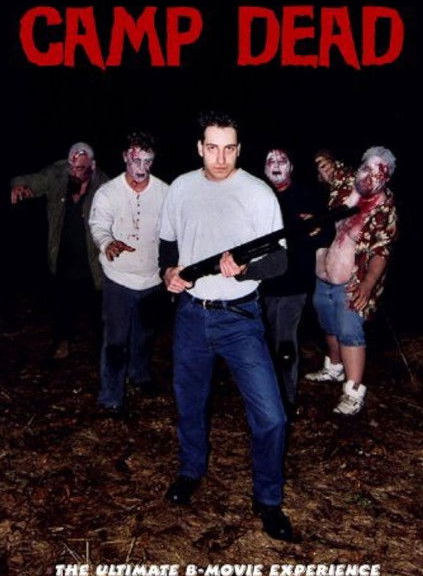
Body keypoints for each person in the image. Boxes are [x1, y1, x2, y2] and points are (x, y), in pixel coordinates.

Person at [159, 111, 293, 541]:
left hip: (241, 319)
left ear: (239, 148)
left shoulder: (258, 193)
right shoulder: (180, 187)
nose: (220, 158)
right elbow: (168, 244)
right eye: (212, 148)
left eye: (229, 148)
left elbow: (280, 259)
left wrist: (246, 268)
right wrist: (168, 272)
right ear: (199, 147)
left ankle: (268, 499)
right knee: (190, 404)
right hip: (192, 316)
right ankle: (190, 471)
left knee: (271, 416)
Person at [305, 147, 397, 415]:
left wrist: (367, 285)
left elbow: (382, 252)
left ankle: (353, 392)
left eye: (379, 174)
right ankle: (334, 368)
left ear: (386, 179)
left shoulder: (385, 208)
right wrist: (323, 158)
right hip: (324, 275)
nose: (369, 176)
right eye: (366, 168)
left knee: (349, 330)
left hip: (354, 281)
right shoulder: (347, 183)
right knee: (328, 322)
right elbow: (327, 163)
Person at [89, 132, 168, 416]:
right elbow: (98, 224)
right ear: (125, 157)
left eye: (148, 161)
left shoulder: (164, 192)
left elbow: (174, 230)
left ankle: (139, 375)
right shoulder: (108, 192)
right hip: (118, 278)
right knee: (116, 341)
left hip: (152, 278)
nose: (141, 167)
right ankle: (111, 397)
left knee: (145, 335)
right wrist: (107, 243)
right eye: (136, 160)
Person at [10, 142, 109, 359]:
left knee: (99, 311)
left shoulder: (104, 185)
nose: (74, 172)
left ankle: (103, 352)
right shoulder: (58, 174)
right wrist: (19, 186)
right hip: (63, 256)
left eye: (80, 168)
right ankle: (62, 342)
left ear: (92, 166)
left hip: (93, 261)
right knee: (62, 305)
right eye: (71, 167)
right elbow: (30, 180)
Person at [260, 148, 330, 411]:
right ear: (264, 168)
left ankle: (286, 400)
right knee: (264, 342)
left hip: (294, 284)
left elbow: (327, 233)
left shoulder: (308, 195)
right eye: (270, 161)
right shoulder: (257, 195)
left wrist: (318, 227)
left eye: (282, 160)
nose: (276, 165)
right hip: (262, 284)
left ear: (291, 167)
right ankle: (265, 395)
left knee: (286, 342)